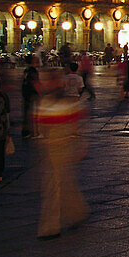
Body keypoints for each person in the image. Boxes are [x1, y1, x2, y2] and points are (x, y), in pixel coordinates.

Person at [34, 71, 90, 240]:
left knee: (54, 186)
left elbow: (75, 125)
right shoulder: (49, 101)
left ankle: (50, 227)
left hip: (60, 146)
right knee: (64, 183)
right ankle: (77, 212)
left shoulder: (59, 102)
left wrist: (79, 144)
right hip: (54, 148)